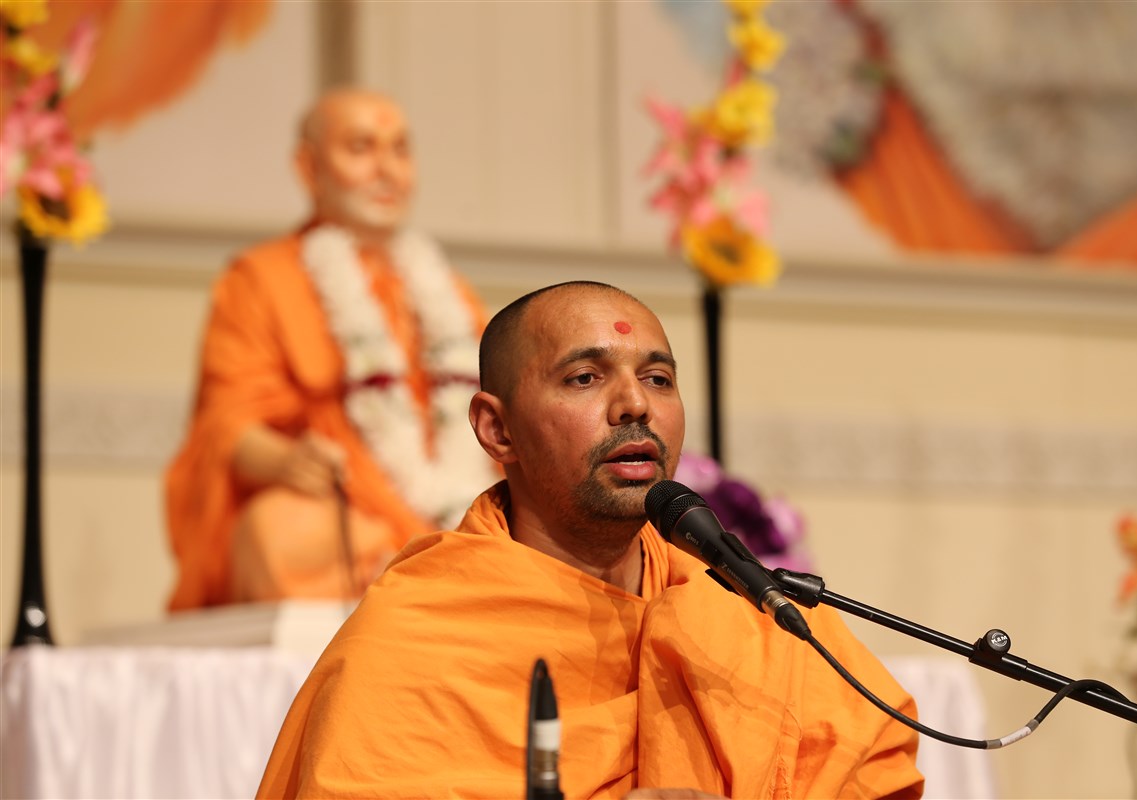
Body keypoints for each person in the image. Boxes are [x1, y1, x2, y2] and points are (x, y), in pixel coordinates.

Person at [257, 281, 924, 799]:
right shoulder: (416, 641)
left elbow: (872, 771)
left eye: (658, 379)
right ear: (497, 431)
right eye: (585, 377)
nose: (635, 403)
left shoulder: (748, 614)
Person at [164, 87, 495, 610]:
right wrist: (287, 460)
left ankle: (426, 564)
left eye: (400, 150)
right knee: (275, 536)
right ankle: (417, 569)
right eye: (361, 148)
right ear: (308, 167)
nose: (386, 170)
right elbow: (225, 423)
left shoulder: (448, 292)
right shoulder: (260, 279)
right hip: (341, 512)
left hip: (448, 507)